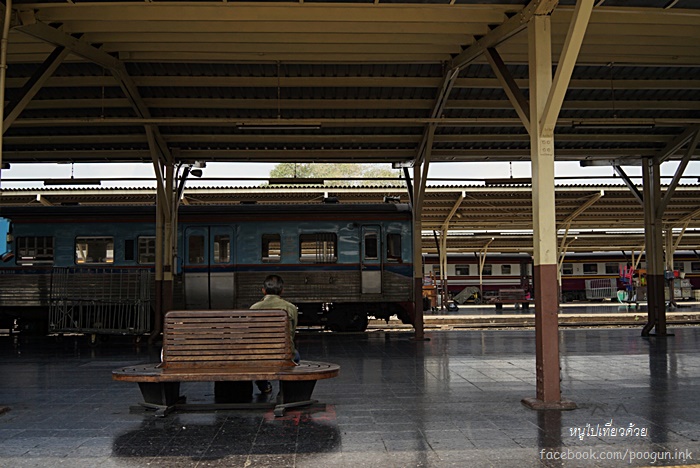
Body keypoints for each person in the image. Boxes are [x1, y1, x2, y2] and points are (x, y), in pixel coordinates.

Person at [249, 274, 300, 393]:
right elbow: (292, 333)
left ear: (263, 290)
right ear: (282, 291)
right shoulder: (290, 308)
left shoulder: (254, 308)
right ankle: (286, 390)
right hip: (284, 354)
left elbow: (251, 334)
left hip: (259, 354)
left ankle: (263, 385)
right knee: (296, 356)